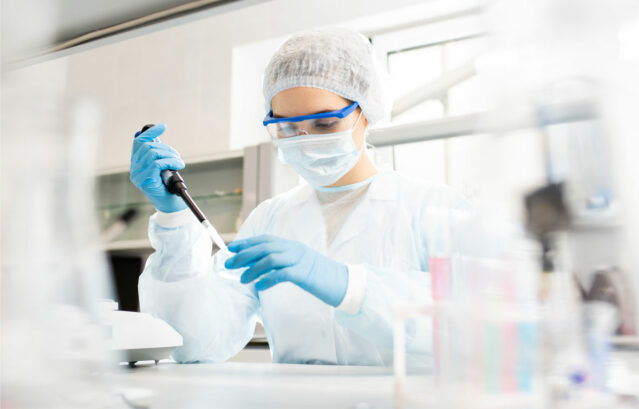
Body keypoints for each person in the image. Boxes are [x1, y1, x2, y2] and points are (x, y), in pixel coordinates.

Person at [131, 28, 469, 366]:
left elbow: (474, 329)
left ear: (365, 113)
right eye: (287, 129)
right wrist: (173, 218)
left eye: (323, 124)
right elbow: (194, 344)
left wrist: (352, 288)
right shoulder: (269, 220)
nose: (305, 140)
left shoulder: (434, 210)